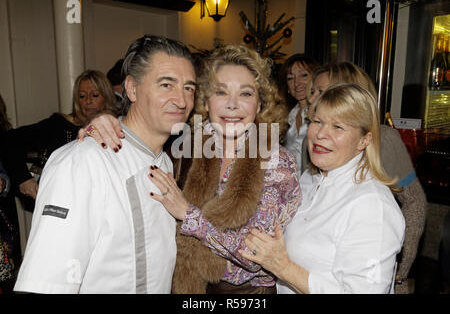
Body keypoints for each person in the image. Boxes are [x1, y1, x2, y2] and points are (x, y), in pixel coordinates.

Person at [78, 44, 301, 294]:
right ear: (206, 101)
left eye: (246, 94)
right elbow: (143, 133)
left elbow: (255, 255)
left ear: (260, 105)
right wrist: (106, 123)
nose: (232, 105)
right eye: (221, 92)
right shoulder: (186, 144)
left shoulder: (276, 162)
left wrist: (188, 214)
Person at [13, 35, 197, 294]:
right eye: (166, 85)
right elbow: (46, 282)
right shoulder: (83, 161)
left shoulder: (166, 160)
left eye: (189, 88)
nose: (181, 100)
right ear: (131, 89)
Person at [240, 83, 405, 294]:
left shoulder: (373, 206)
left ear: (364, 140)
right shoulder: (310, 178)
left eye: (338, 127)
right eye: (317, 121)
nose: (320, 134)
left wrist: (283, 268)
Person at [302, 62, 427, 293]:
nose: (312, 98)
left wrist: (400, 268)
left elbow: (414, 200)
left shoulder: (384, 139)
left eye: (321, 91)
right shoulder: (312, 137)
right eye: (315, 92)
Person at [0, 70, 116, 202]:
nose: (88, 101)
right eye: (82, 96)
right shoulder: (60, 125)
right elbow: (8, 139)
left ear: (106, 97)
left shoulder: (120, 127)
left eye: (95, 95)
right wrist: (24, 178)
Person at [279, 54, 320, 174]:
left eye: (304, 75)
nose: (297, 83)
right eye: (290, 78)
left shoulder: (322, 116)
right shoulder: (283, 116)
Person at [0, 94, 21, 294]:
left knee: (6, 279)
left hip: (2, 220)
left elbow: (14, 174)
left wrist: (3, 182)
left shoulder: (6, 137)